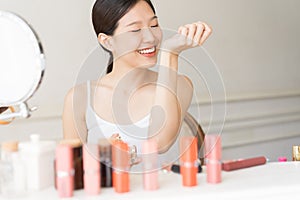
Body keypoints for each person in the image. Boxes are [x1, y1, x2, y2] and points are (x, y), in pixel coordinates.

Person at [62, 0, 212, 155]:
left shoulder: (180, 85)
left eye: (154, 26)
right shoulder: (79, 98)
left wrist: (170, 53)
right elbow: (73, 166)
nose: (150, 38)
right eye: (135, 30)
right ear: (107, 41)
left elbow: (159, 144)